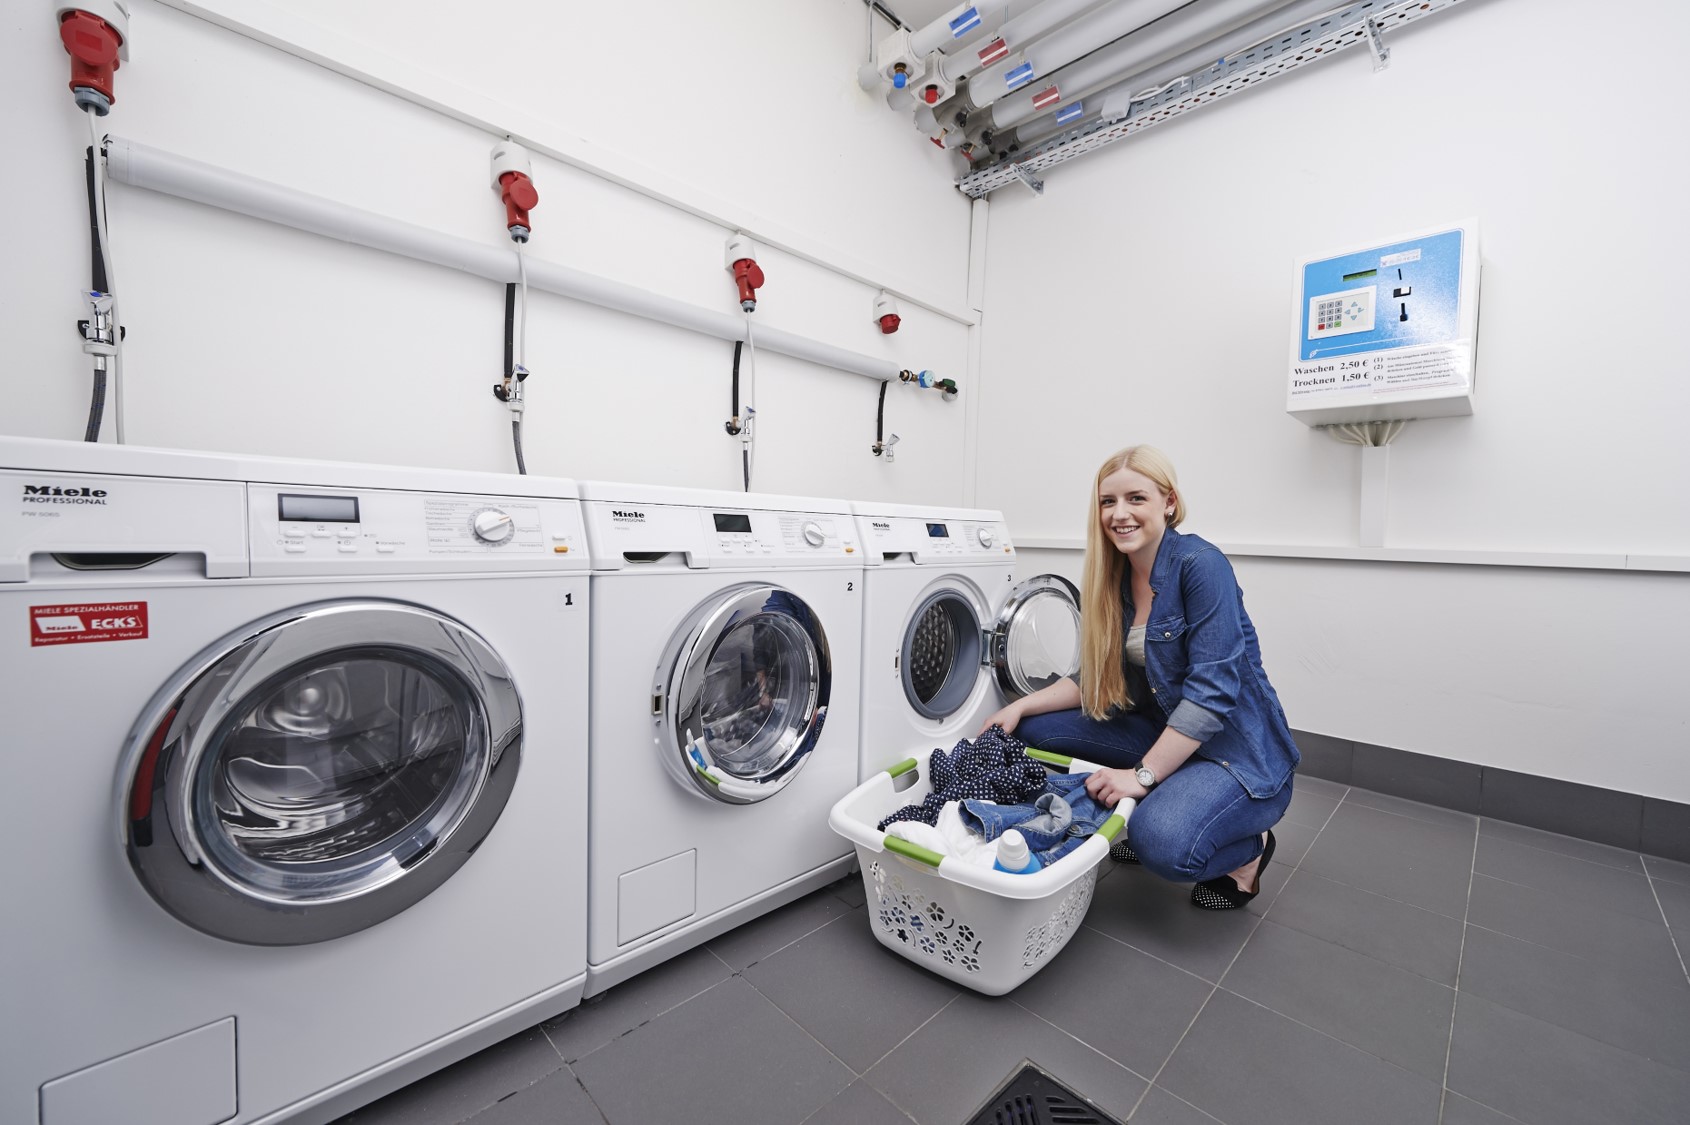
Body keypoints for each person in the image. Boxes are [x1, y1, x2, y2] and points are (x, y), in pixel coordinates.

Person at [982, 445, 1299, 909]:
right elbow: (1095, 678)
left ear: (1168, 502)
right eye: (1108, 502)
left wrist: (1142, 775)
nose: (1119, 514)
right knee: (1033, 731)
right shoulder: (1113, 576)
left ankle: (1249, 852)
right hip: (1162, 730)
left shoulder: (1201, 566)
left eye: (1136, 498)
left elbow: (1211, 695)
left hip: (1237, 755)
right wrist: (1018, 705)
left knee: (1162, 846)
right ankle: (1163, 795)